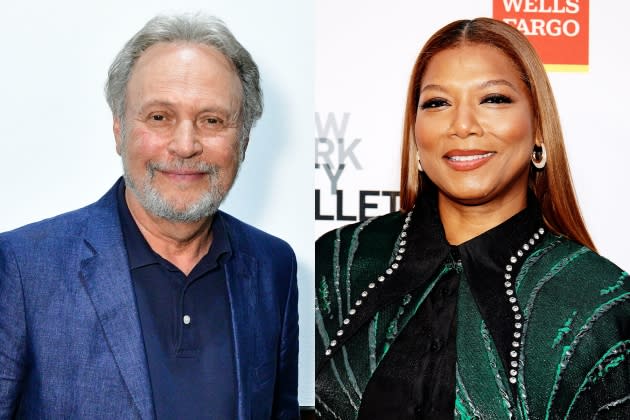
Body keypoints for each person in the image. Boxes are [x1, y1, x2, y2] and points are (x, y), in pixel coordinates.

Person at [315, 17, 629, 419]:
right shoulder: (337, 264)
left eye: (493, 99)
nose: (462, 125)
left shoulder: (598, 304)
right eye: (437, 103)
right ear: (415, 134)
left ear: (538, 129)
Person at [0, 14, 298, 419]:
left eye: (212, 120)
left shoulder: (273, 266)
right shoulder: (22, 267)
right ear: (119, 128)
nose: (186, 145)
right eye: (160, 117)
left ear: (243, 140)